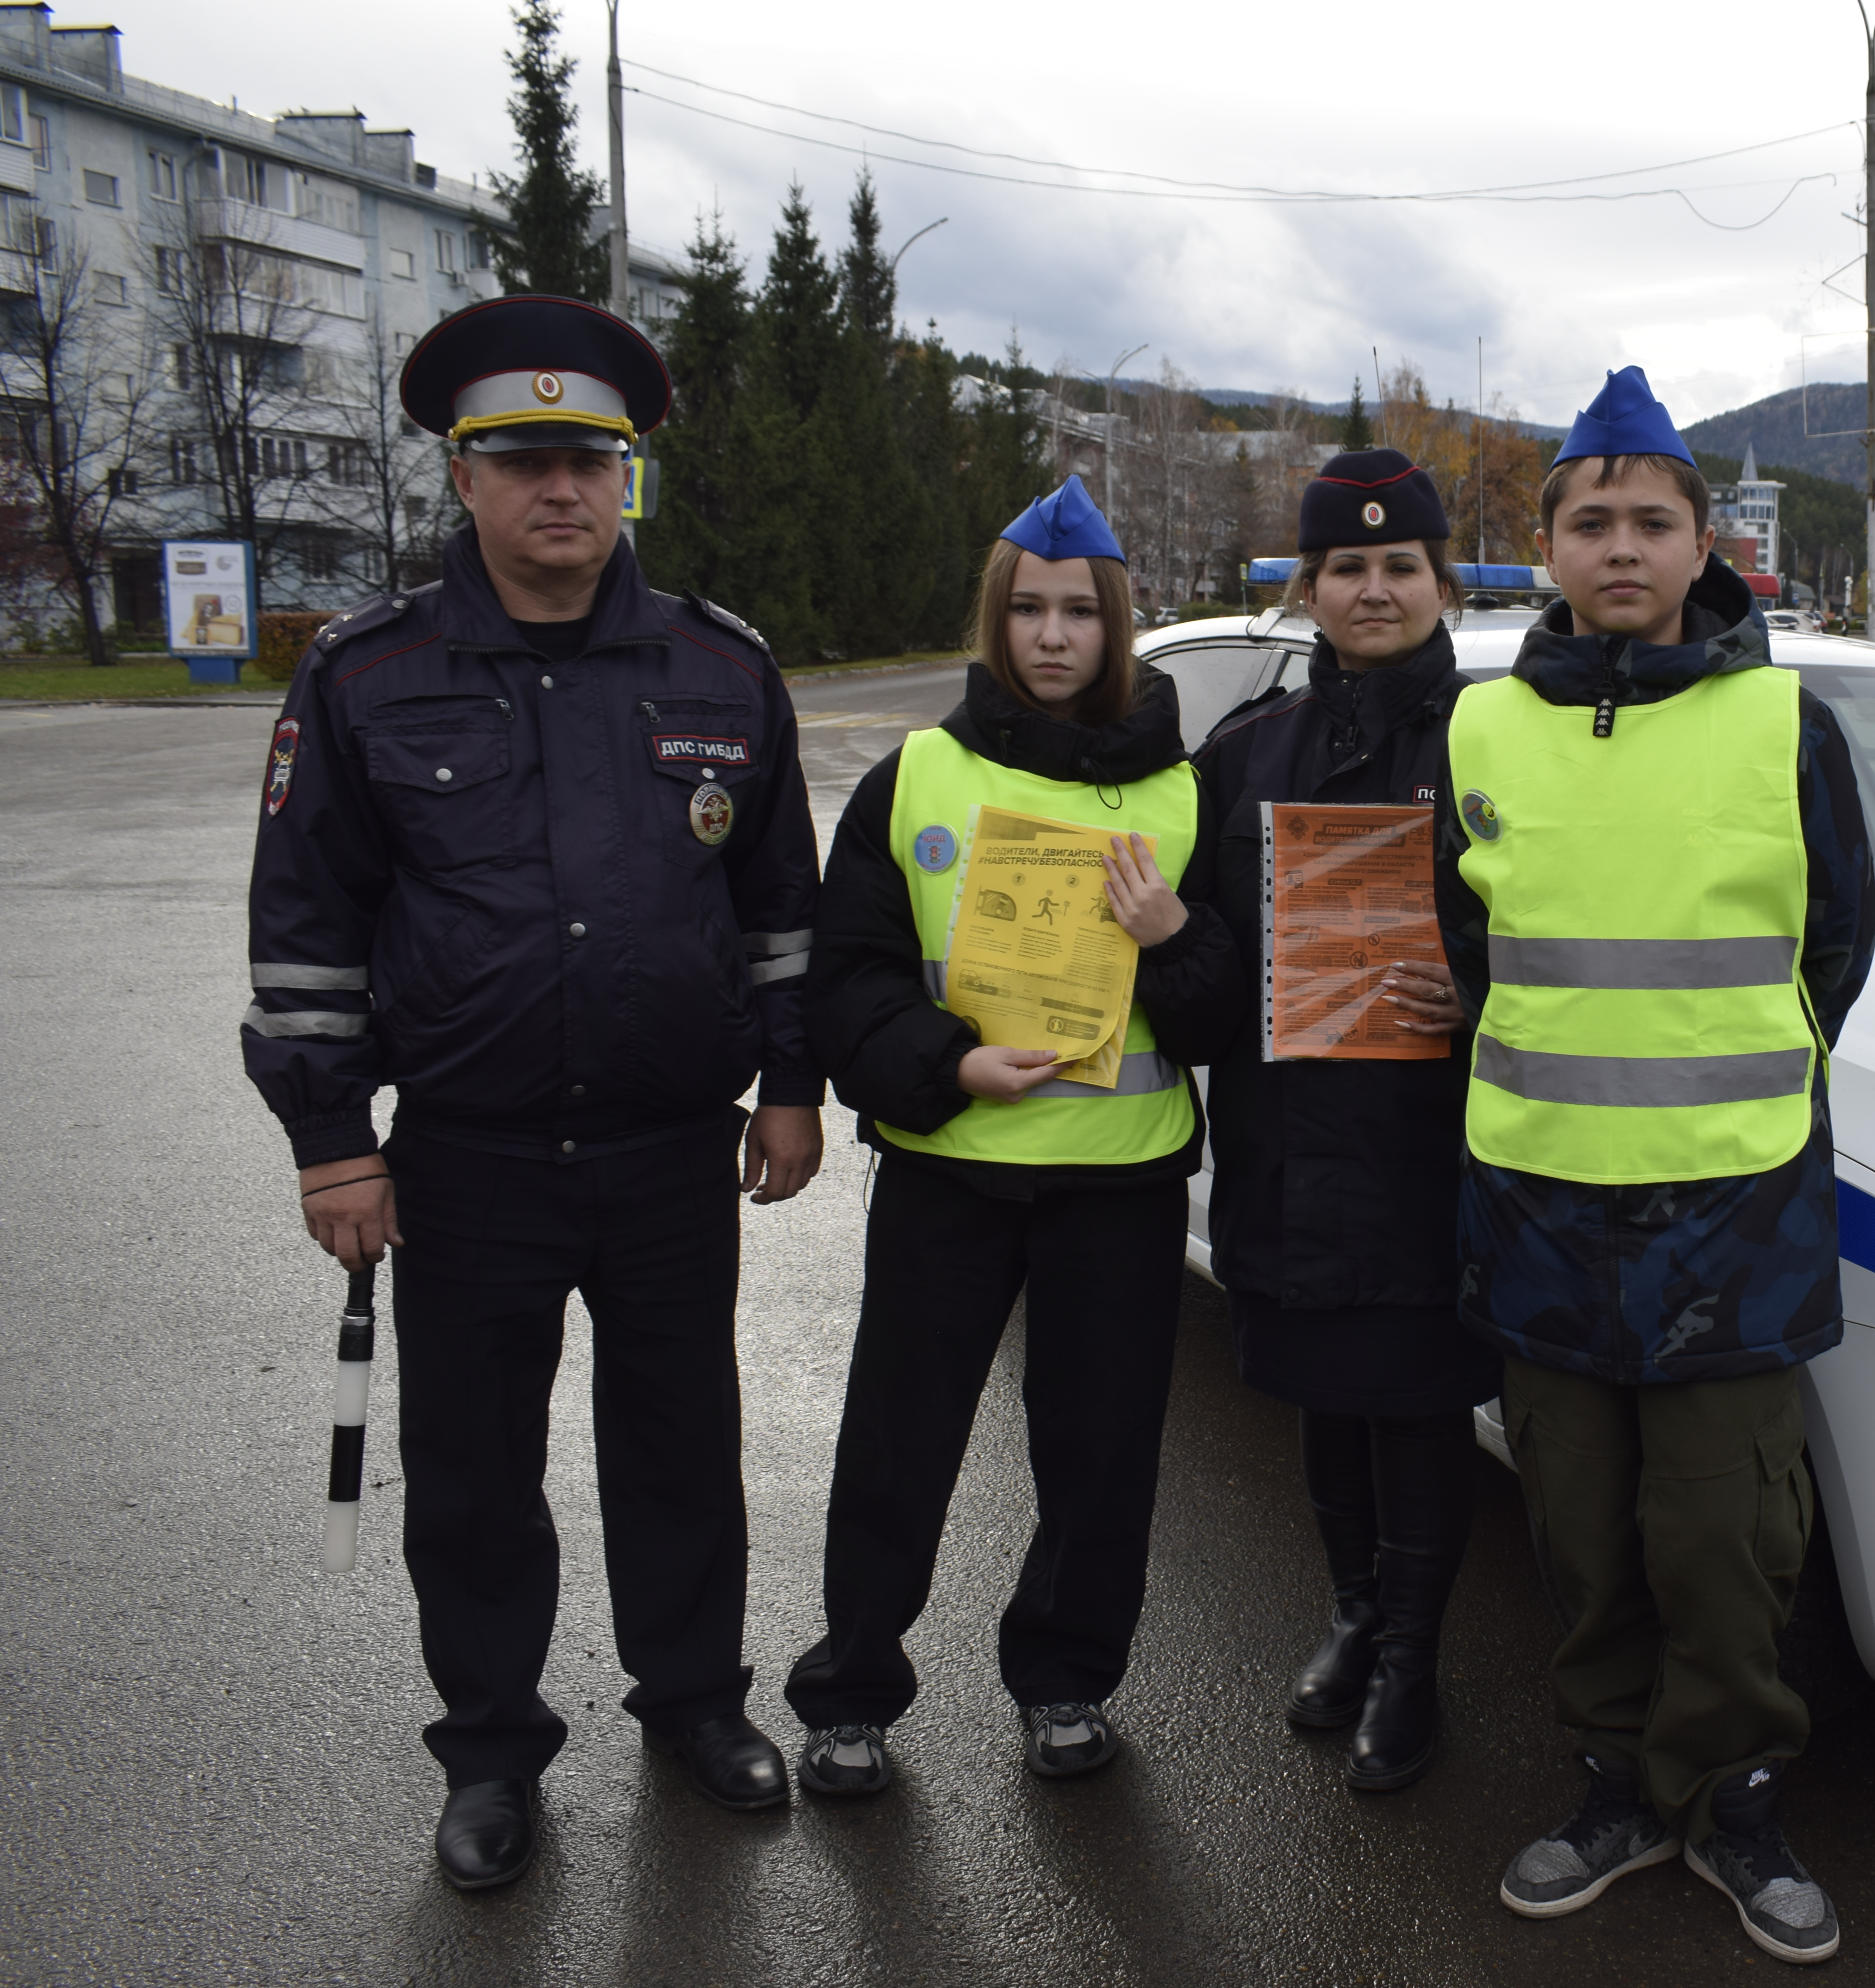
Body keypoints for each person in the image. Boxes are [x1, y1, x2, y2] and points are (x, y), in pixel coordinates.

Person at [242, 295, 824, 1891]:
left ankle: (697, 1704)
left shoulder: (719, 665)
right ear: (461, 477)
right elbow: (307, 928)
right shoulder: (369, 675)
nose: (560, 491)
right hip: (469, 1161)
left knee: (680, 1447)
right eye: (522, 461)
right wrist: (330, 1146)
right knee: (480, 1474)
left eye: (590, 461)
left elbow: (779, 903)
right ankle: (491, 1754)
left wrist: (790, 1087)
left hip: (661, 1155)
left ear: (626, 476)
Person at [1441, 368, 1875, 1965]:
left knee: (1727, 1537)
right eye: (1591, 522)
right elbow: (1471, 950)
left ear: (1707, 544)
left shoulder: (1784, 719)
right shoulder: (1480, 724)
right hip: (1545, 1208)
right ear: (1547, 545)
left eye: (1652, 522)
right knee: (1584, 1527)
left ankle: (1738, 1800)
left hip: (1737, 1216)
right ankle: (1618, 1786)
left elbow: (1836, 952)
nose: (1620, 547)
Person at [784, 476, 1232, 1795]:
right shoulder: (917, 775)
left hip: (1121, 1187)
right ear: (997, 621)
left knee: (1099, 1458)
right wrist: (945, 1064)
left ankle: (1069, 1684)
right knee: (898, 1441)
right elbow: (849, 977)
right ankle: (853, 1691)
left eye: (1078, 613)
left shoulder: (1186, 800)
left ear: (1115, 626)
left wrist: (1178, 938)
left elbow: (1227, 1011)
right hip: (950, 1173)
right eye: (1028, 610)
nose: (1051, 636)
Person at [1178, 449, 1497, 1791]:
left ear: (1442, 582)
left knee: (1418, 1407)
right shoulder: (1247, 752)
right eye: (1348, 567)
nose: (1374, 588)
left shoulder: (1500, 739)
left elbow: (1568, 935)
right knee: (1324, 1392)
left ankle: (1414, 1661)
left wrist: (1474, 986)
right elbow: (1196, 962)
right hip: (1293, 1145)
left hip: (1432, 1147)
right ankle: (1355, 1619)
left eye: (1400, 565)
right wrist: (1177, 945)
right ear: (1310, 588)